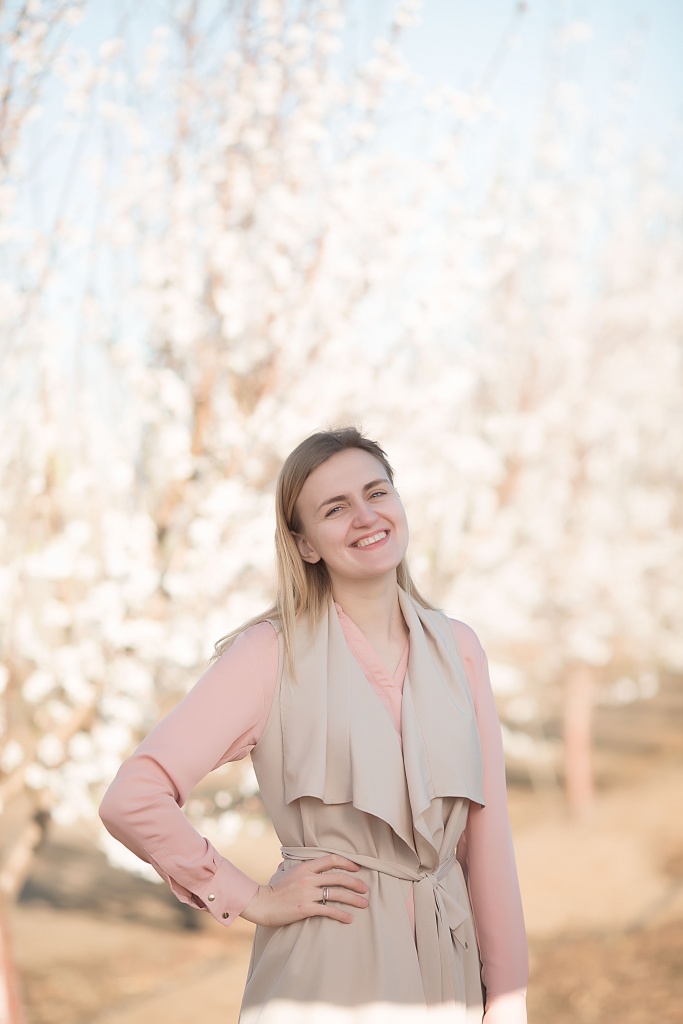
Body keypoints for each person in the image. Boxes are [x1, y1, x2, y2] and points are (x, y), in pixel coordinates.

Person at [100, 427, 528, 1024]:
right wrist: (251, 898)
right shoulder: (269, 654)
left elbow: (487, 837)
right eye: (335, 508)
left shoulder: (460, 650)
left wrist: (507, 997)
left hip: (448, 972)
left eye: (376, 493)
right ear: (305, 545)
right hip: (326, 974)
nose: (365, 516)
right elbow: (133, 797)